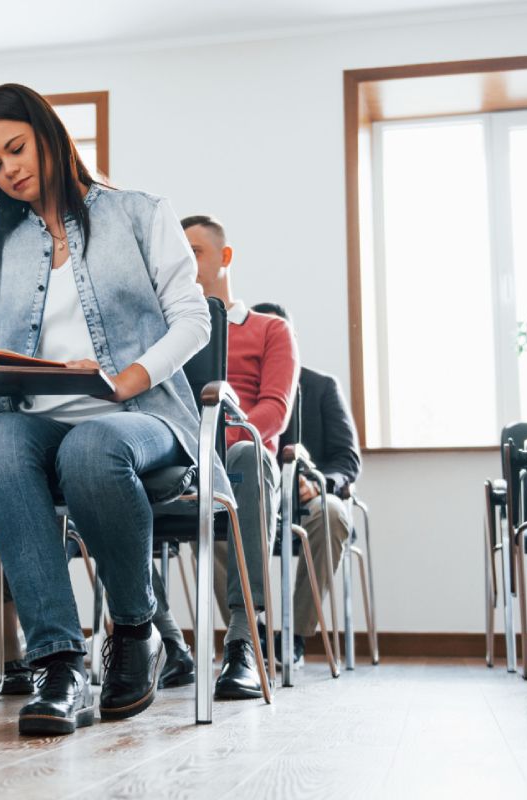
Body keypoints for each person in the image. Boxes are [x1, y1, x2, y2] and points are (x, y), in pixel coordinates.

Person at [0, 84, 221, 736]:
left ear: (49, 134)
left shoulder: (142, 214)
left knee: (89, 446)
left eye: (16, 148)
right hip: (36, 419)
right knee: (2, 441)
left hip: (141, 414)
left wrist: (128, 380)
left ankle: (134, 626)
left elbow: (192, 320)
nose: (9, 169)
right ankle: (59, 664)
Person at [182, 215, 299, 699]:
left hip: (245, 459)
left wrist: (218, 444)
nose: (184, 263)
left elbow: (273, 410)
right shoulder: (168, 333)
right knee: (108, 459)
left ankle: (244, 639)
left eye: (196, 252)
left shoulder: (271, 330)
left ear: (225, 258)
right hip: (184, 458)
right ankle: (164, 638)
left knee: (247, 455)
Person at [253, 302, 362, 667]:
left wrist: (319, 484)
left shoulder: (322, 387)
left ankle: (294, 635)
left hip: (311, 501)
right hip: (255, 497)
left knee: (332, 513)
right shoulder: (238, 391)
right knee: (219, 511)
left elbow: (348, 459)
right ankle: (250, 632)